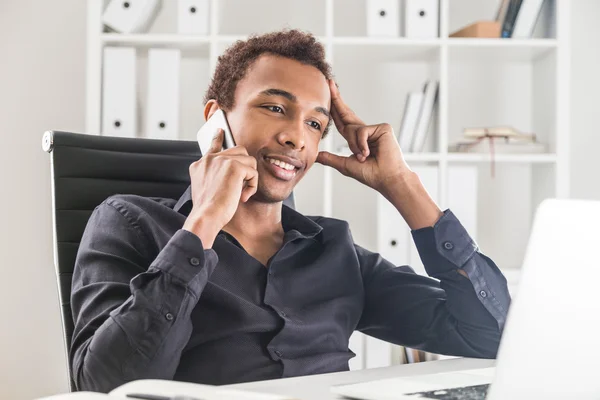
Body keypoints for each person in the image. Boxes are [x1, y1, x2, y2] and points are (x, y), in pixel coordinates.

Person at [70, 29, 511, 393]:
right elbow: (106, 385)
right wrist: (203, 222)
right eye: (275, 108)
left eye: (315, 124)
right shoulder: (130, 222)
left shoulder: (335, 253)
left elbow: (491, 336)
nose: (296, 137)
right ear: (216, 120)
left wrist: (402, 185)